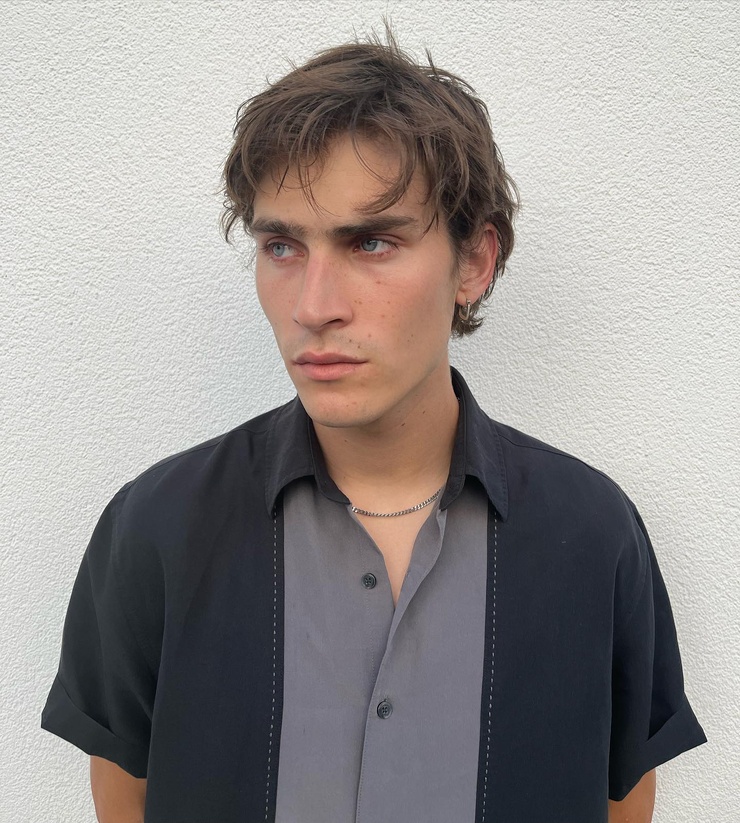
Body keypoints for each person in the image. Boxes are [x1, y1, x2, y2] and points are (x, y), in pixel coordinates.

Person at [41, 27, 706, 823]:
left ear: (474, 262)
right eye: (282, 245)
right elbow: (125, 796)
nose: (315, 305)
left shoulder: (593, 533)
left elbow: (622, 800)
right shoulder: (158, 526)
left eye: (372, 241)